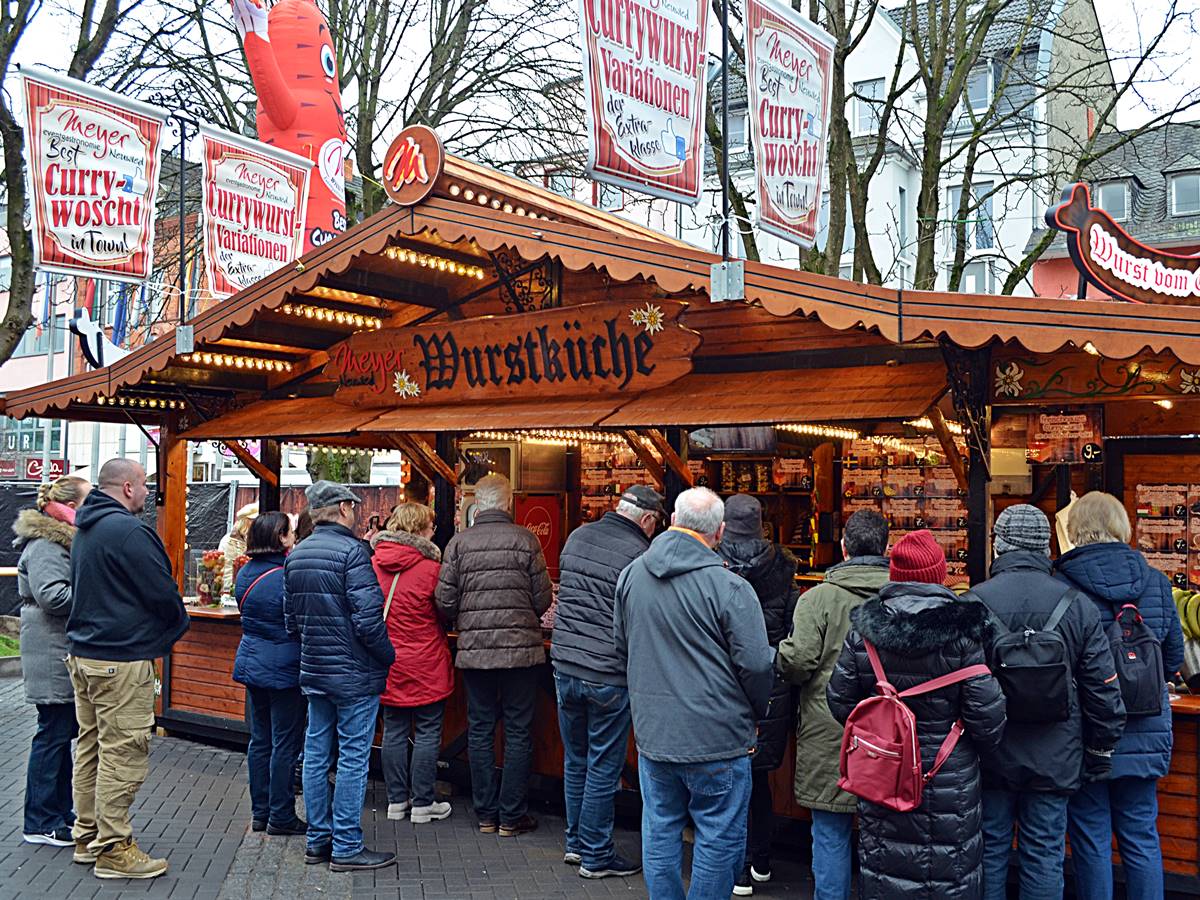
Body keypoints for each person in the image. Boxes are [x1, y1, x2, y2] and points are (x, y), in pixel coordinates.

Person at [613, 486, 775, 900]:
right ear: (719, 532)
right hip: (718, 736)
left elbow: (622, 646)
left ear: (671, 521)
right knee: (719, 837)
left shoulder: (633, 574)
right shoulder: (730, 588)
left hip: (654, 733)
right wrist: (756, 713)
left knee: (661, 827)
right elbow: (757, 665)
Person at [826, 529, 1006, 900]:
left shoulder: (865, 632)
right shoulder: (964, 633)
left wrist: (883, 732)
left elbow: (840, 701)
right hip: (947, 779)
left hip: (883, 774)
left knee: (885, 873)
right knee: (949, 876)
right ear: (939, 575)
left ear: (894, 574)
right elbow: (987, 719)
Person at [968, 504, 1125, 900]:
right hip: (1057, 756)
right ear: (1046, 546)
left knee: (988, 851)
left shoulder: (972, 603)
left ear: (998, 546)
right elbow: (1103, 691)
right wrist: (1099, 750)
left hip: (991, 753)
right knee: (1044, 857)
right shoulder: (1077, 605)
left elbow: (959, 686)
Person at [1054, 492, 1184, 900]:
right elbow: (1174, 658)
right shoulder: (1157, 583)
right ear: (1122, 527)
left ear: (1075, 531)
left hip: (1088, 730)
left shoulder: (1062, 585)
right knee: (1141, 833)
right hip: (1145, 727)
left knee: (1090, 835)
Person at [67, 458, 190, 879]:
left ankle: (87, 835)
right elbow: (163, 593)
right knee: (123, 753)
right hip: (120, 660)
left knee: (92, 749)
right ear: (126, 488)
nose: (147, 491)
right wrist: (174, 629)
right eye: (142, 484)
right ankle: (114, 848)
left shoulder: (87, 527)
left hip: (85, 656)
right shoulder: (130, 532)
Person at [776, 509, 891, 900]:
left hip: (830, 729)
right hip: (891, 731)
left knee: (829, 831)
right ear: (886, 547)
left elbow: (797, 662)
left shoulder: (818, 599)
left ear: (843, 549)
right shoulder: (902, 598)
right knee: (887, 833)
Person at [551, 484, 664, 879]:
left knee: (576, 759)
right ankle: (596, 855)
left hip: (565, 665)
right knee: (602, 764)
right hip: (608, 673)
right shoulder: (641, 555)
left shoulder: (578, 536)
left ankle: (575, 844)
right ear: (648, 519)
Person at [284, 480, 396, 872]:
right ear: (345, 508)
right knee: (352, 757)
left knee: (315, 755)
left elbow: (291, 620)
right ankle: (346, 845)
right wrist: (388, 656)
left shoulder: (296, 555)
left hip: (316, 670)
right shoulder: (353, 552)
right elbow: (369, 621)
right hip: (355, 673)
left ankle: (319, 840)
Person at [436, 473, 553, 837]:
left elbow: (444, 599)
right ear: (508, 503)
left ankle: (486, 813)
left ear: (477, 504)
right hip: (521, 655)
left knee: (480, 730)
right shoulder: (526, 540)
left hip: (475, 654)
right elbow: (543, 598)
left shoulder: (458, 544)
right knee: (519, 732)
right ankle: (511, 815)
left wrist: (463, 618)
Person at [716, 494, 799, 896]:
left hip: (723, 683)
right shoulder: (783, 568)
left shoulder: (712, 563)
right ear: (762, 524)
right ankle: (761, 860)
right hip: (770, 687)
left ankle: (736, 869)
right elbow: (792, 633)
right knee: (759, 779)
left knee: (726, 780)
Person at [15, 474, 92, 847]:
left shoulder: (59, 540)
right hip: (51, 650)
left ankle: (58, 814)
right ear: (72, 507)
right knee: (53, 736)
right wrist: (96, 593)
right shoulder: (48, 544)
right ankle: (41, 820)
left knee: (59, 736)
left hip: (55, 648)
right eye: (89, 498)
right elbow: (53, 597)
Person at [371, 502, 454, 825]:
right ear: (420, 530)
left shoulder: (374, 564)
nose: (434, 531)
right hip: (426, 661)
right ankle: (422, 803)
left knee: (393, 730)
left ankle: (395, 801)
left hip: (389, 661)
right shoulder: (432, 569)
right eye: (431, 526)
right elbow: (446, 610)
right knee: (428, 731)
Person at [232, 511, 307, 837]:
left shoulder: (245, 573)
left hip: (252, 661)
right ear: (280, 537)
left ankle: (260, 812)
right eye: (290, 531)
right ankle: (281, 815)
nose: (294, 535)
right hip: (284, 665)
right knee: (284, 743)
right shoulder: (286, 576)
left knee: (260, 741)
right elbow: (295, 621)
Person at [219, 502, 258, 601]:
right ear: (247, 522)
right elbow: (227, 573)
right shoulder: (230, 542)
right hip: (233, 594)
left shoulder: (254, 539)